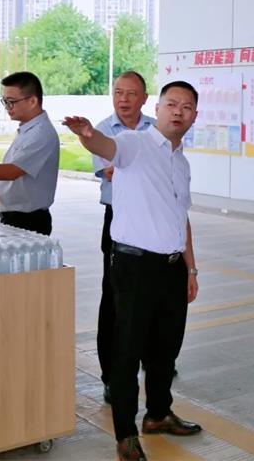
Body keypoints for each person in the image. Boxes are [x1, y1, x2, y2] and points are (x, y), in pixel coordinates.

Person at [63, 81, 202, 461]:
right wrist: (88, 135)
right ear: (157, 108)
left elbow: (181, 217)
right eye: (172, 104)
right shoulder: (135, 143)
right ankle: (125, 434)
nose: (179, 112)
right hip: (135, 265)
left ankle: (158, 414)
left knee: (166, 348)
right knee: (127, 350)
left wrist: (191, 269)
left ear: (195, 115)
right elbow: (106, 147)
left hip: (172, 268)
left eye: (187, 107)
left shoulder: (181, 161)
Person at [92, 71, 155, 404]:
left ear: (144, 98)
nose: (124, 99)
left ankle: (152, 359)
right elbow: (112, 171)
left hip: (154, 218)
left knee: (153, 293)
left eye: (131, 93)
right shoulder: (102, 131)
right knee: (115, 298)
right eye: (118, 92)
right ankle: (111, 375)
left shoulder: (156, 128)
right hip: (118, 218)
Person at [0, 71, 59, 236]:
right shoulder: (28, 130)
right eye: (4, 101)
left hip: (29, 220)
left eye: (11, 102)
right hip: (14, 217)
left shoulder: (41, 133)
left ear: (32, 101)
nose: (7, 108)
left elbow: (11, 171)